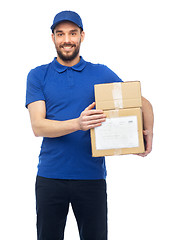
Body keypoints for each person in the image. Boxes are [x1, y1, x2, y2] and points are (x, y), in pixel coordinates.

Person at [26, 10, 154, 240]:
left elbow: (142, 103)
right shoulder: (38, 75)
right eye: (60, 34)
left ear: (82, 36)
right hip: (50, 178)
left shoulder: (100, 73)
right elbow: (38, 126)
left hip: (91, 178)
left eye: (73, 33)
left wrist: (146, 135)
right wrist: (78, 123)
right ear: (53, 37)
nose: (67, 40)